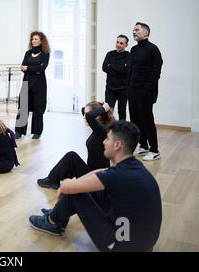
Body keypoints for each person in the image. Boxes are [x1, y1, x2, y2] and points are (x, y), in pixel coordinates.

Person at [29, 121, 162, 252]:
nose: (104, 142)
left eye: (107, 139)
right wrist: (74, 184)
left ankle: (52, 222)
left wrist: (68, 185)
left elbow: (68, 188)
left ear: (117, 145)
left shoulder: (117, 175)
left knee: (76, 193)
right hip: (142, 244)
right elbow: (100, 172)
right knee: (82, 188)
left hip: (118, 246)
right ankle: (58, 215)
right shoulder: (134, 167)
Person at [37, 101, 114, 189]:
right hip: (92, 173)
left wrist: (103, 108)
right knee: (70, 160)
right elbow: (86, 112)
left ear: (98, 116)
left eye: (86, 114)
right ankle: (53, 179)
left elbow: (89, 116)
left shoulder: (102, 131)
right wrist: (99, 105)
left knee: (71, 156)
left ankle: (52, 181)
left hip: (96, 178)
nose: (84, 117)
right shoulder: (100, 127)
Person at [128, 22, 163, 161]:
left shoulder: (153, 49)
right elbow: (131, 70)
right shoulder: (133, 50)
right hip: (132, 90)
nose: (134, 32)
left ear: (146, 33)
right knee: (135, 119)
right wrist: (128, 87)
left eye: (137, 30)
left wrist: (147, 88)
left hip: (146, 91)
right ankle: (143, 146)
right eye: (133, 29)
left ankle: (155, 150)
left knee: (147, 119)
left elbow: (156, 72)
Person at [15, 31, 50, 139]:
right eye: (32, 39)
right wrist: (33, 69)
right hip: (27, 82)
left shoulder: (45, 53)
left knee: (38, 108)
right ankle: (19, 131)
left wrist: (29, 68)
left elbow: (41, 68)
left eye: (36, 39)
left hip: (39, 84)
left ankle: (37, 132)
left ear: (41, 41)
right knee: (23, 106)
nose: (33, 41)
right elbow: (22, 67)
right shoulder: (28, 53)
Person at [102, 35, 131, 120]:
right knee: (108, 110)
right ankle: (108, 130)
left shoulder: (129, 56)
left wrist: (111, 66)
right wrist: (121, 68)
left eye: (121, 43)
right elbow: (104, 68)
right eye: (117, 42)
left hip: (124, 88)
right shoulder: (110, 54)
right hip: (110, 88)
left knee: (122, 111)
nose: (118, 44)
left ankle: (122, 131)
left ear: (126, 45)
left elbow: (127, 70)